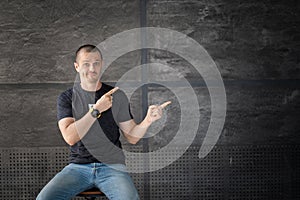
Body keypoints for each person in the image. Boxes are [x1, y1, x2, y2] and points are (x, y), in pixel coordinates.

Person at [36, 44, 171, 200]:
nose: (92, 68)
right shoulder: (67, 97)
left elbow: (132, 137)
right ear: (77, 67)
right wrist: (97, 109)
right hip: (78, 167)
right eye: (86, 64)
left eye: (96, 63)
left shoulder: (117, 95)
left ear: (102, 65)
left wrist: (148, 120)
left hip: (112, 167)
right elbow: (70, 137)